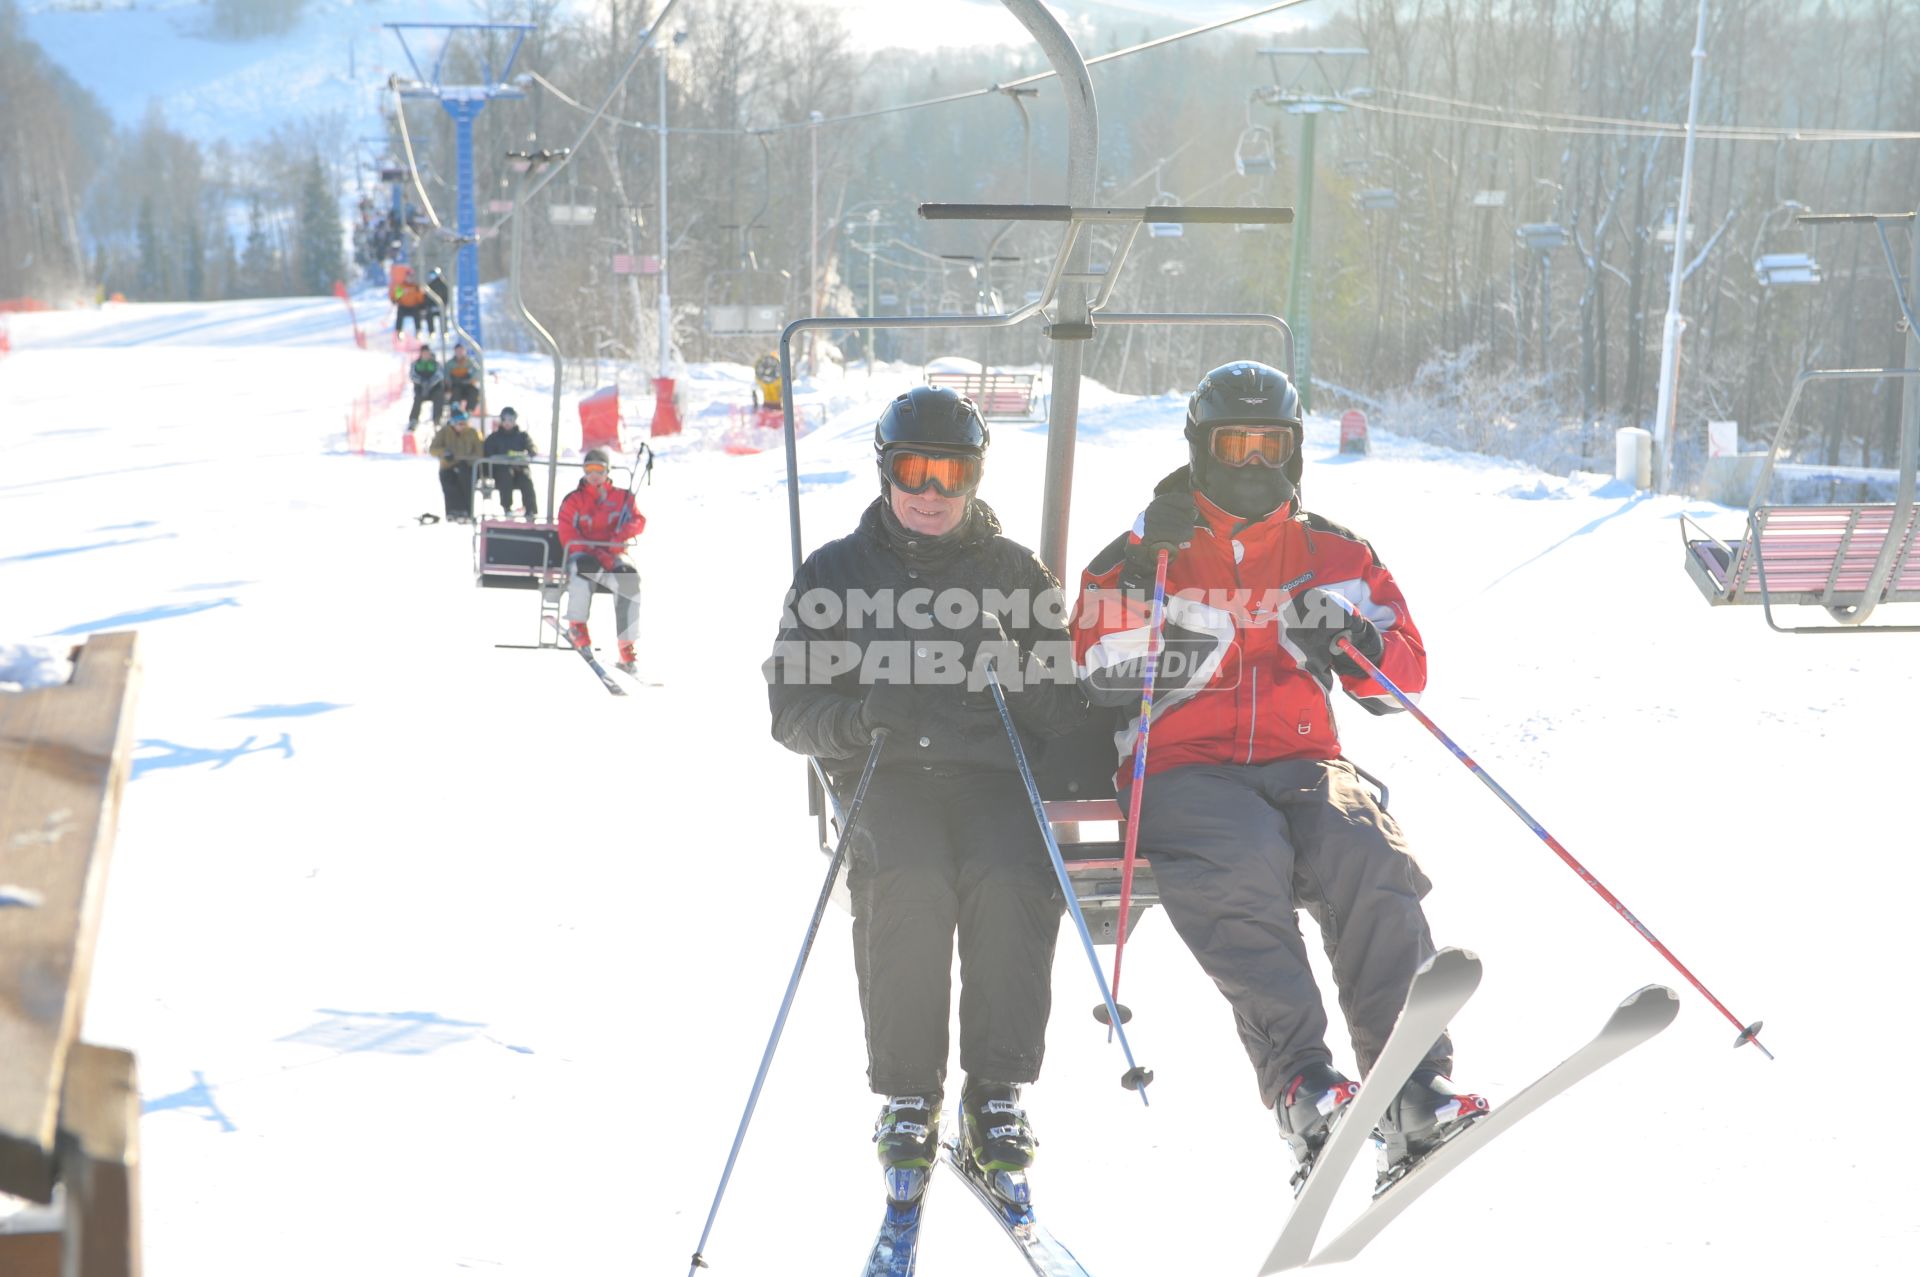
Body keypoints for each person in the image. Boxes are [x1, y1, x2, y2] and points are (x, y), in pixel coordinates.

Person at [1068, 361, 1485, 1184]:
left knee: (1364, 845)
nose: (1253, 462)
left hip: (1303, 760)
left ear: (1294, 453)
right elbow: (1090, 660)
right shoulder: (1145, 551)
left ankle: (1410, 1084)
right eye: (1236, 443)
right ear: (1200, 447)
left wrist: (1355, 643)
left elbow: (1409, 669)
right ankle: (1303, 1081)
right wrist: (1169, 636)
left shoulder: (1331, 550)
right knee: (1241, 855)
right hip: (1184, 767)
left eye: (1271, 445)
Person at [763, 386, 1089, 1208]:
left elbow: (1065, 706)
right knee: (906, 871)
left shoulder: (1016, 573)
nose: (931, 492)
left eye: (951, 472)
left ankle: (994, 1090)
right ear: (886, 471)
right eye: (914, 470)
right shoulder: (834, 573)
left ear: (975, 475)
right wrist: (864, 715)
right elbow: (791, 713)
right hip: (886, 770)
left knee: (1011, 869)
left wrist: (1014, 669)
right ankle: (910, 1091)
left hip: (988, 771)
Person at [558, 448, 645, 672]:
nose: (594, 475)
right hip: (585, 553)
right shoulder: (575, 500)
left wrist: (620, 536)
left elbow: (638, 521)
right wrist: (594, 551)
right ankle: (578, 627)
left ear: (607, 471)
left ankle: (627, 644)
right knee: (583, 570)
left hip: (613, 553)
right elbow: (567, 534)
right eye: (589, 469)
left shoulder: (622, 498)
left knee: (629, 579)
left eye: (599, 469)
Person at [428, 402, 484, 522]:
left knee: (465, 479)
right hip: (448, 466)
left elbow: (479, 452)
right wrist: (444, 453)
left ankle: (467, 511)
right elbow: (433, 449)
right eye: (459, 423)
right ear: (453, 423)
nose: (462, 426)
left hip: (467, 466)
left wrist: (466, 459)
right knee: (448, 482)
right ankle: (452, 512)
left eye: (464, 423)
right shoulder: (444, 432)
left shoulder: (473, 433)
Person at [483, 406, 539, 519]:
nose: (508, 423)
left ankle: (530, 510)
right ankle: (507, 507)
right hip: (501, 471)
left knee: (526, 480)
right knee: (505, 475)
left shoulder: (522, 436)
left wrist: (530, 452)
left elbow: (531, 447)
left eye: (511, 420)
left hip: (519, 470)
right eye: (505, 419)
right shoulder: (494, 437)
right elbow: (487, 453)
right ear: (501, 420)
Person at [406, 343, 445, 431]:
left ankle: (437, 419)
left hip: (433, 388)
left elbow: (440, 375)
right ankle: (413, 420)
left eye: (427, 353)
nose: (426, 355)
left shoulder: (435, 363)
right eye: (424, 353)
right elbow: (412, 375)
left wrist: (430, 383)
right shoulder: (416, 364)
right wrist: (422, 382)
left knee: (439, 396)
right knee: (417, 399)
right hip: (421, 389)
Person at [390, 268, 428, 335]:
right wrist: (396, 299)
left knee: (417, 315)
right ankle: (399, 331)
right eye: (408, 276)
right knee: (400, 313)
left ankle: (418, 330)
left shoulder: (416, 287)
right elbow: (397, 296)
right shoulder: (401, 286)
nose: (410, 278)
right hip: (404, 306)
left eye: (411, 276)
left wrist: (422, 304)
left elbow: (420, 297)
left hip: (413, 307)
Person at [445, 342, 481, 413]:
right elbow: (446, 376)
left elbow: (477, 372)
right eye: (458, 351)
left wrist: (471, 379)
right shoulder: (450, 364)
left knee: (474, 391)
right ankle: (455, 413)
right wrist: (448, 385)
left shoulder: (470, 363)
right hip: (455, 386)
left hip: (468, 385)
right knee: (455, 393)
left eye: (461, 351)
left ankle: (469, 412)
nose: (460, 353)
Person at [424, 268, 451, 334]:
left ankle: (445, 331)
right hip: (432, 307)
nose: (432, 276)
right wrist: (430, 307)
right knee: (429, 315)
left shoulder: (443, 285)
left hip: (441, 307)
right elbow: (426, 299)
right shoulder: (429, 286)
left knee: (443, 316)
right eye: (431, 274)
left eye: (434, 274)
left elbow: (446, 298)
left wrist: (442, 306)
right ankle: (431, 332)